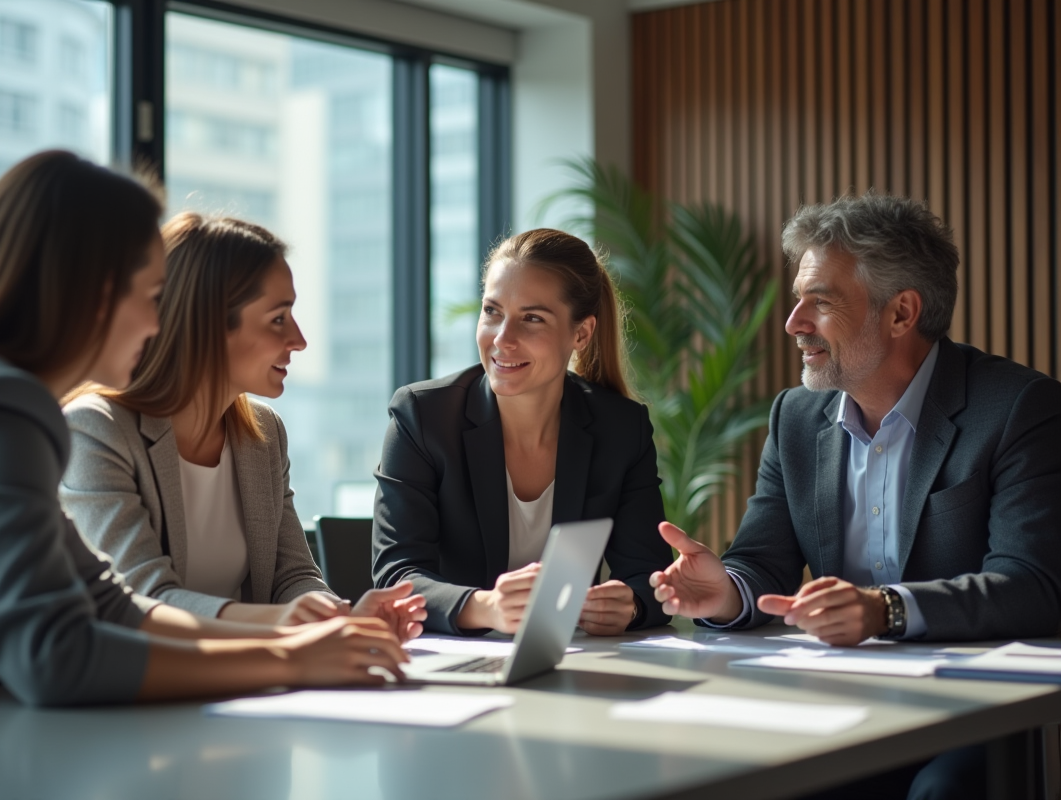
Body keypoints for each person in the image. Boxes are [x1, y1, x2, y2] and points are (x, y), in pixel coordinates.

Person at [0, 151, 407, 706]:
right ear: (92, 293)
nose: (157, 324)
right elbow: (55, 655)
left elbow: (111, 607)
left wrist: (304, 643)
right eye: (151, 298)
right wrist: (291, 660)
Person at [649, 193, 1061, 799]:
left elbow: (1034, 585)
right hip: (836, 696)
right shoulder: (795, 416)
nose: (793, 323)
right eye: (798, 300)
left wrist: (884, 609)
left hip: (971, 703)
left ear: (901, 313)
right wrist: (726, 591)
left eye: (820, 302)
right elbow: (763, 561)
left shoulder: (1019, 408)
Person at [60, 213, 425, 640]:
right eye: (278, 319)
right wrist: (284, 624)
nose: (300, 340)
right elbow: (141, 599)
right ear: (207, 324)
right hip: (152, 676)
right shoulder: (96, 431)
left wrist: (340, 617)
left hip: (252, 670)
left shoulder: (264, 434)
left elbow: (293, 577)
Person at [373, 228, 674, 636]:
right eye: (492, 311)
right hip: (452, 658)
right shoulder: (422, 417)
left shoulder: (621, 428)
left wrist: (630, 605)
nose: (503, 339)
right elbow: (396, 576)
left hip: (572, 656)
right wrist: (486, 608)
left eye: (532, 318)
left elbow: (649, 576)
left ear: (581, 334)